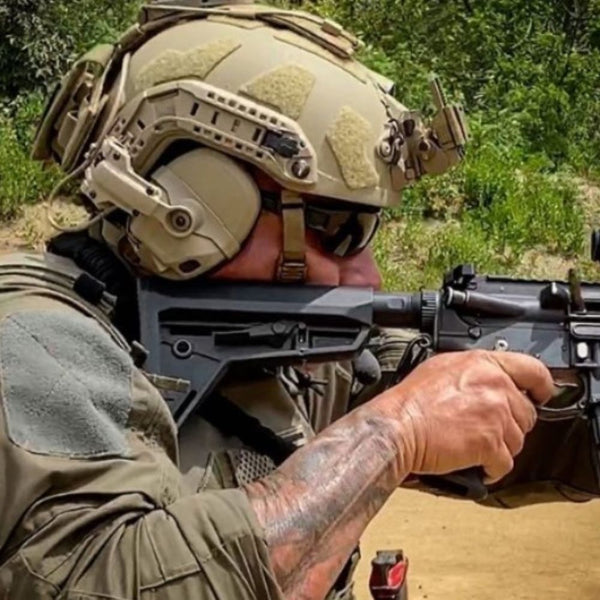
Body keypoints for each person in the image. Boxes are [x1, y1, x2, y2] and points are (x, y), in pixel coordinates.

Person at [0, 2, 594, 599]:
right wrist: (395, 431)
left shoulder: (277, 349)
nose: (368, 274)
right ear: (198, 204)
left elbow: (506, 422)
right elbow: (96, 578)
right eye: (340, 229)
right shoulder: (32, 341)